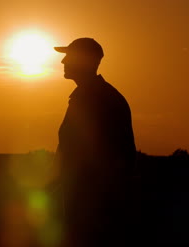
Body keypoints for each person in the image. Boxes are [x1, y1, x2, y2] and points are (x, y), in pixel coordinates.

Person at [53, 38, 136, 247]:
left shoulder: (97, 99)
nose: (63, 61)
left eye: (69, 56)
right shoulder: (92, 97)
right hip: (86, 206)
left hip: (93, 210)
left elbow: (109, 157)